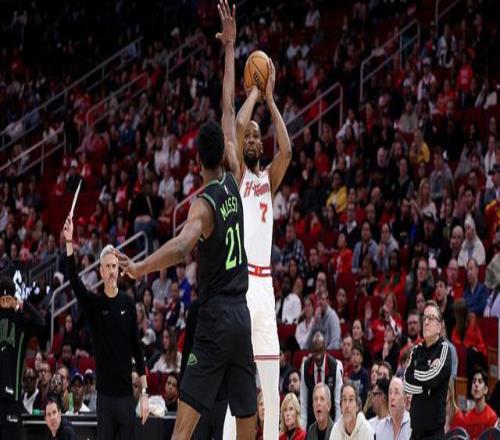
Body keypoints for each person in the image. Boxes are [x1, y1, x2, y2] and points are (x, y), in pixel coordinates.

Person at [115, 3, 256, 438]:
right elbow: (229, 104)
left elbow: (180, 247)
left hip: (214, 322)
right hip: (242, 317)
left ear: (197, 162)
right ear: (223, 153)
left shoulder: (203, 203)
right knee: (247, 423)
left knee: (182, 430)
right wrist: (230, 46)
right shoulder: (235, 175)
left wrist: (139, 267)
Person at [223, 0, 292, 435]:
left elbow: (288, 150)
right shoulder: (237, 175)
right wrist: (251, 93)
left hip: (265, 288)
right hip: (240, 284)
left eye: (255, 137)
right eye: (248, 137)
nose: (251, 138)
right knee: (237, 384)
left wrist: (270, 99)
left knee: (271, 380)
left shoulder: (267, 179)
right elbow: (233, 128)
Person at [63, 224, 149, 440]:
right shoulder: (94, 305)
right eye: (107, 267)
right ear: (101, 271)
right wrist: (69, 242)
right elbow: (74, 281)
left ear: (118, 270)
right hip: (104, 398)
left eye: (114, 266)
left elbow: (137, 349)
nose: (111, 271)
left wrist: (145, 393)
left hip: (126, 396)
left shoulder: (128, 303)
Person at [0, 275, 45, 439]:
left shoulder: (21, 321)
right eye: (2, 300)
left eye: (8, 300)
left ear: (14, 300)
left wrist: (24, 304)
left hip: (13, 400)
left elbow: (41, 323)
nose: (6, 304)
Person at [404, 300, 452, 439]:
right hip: (415, 433)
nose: (426, 322)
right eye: (424, 318)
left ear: (439, 326)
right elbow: (406, 383)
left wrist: (416, 372)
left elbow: (435, 378)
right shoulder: (416, 350)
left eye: (430, 318)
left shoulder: (444, 349)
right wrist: (426, 386)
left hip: (433, 434)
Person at [300, 332, 343, 428]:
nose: (318, 356)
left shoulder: (335, 367)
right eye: (316, 351)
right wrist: (303, 429)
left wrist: (337, 430)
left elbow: (338, 404)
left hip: (331, 421)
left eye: (320, 351)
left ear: (325, 349)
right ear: (311, 350)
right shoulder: (305, 367)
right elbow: (303, 403)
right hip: (312, 422)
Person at [463, 369, 497, 439]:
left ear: (485, 390)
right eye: (474, 382)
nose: (476, 384)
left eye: (480, 381)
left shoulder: (491, 417)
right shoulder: (467, 418)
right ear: (471, 390)